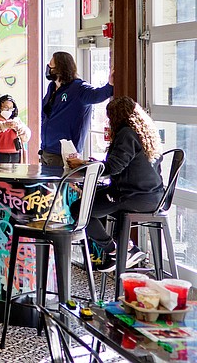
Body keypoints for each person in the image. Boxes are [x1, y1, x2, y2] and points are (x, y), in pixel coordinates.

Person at [67, 96, 162, 273]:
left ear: (117, 117)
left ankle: (116, 250)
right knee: (94, 199)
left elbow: (113, 168)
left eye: (110, 117)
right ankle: (124, 247)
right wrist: (89, 165)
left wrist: (86, 166)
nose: (109, 122)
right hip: (151, 195)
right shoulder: (144, 133)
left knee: (79, 209)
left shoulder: (126, 134)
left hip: (133, 196)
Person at [41, 51, 113, 166]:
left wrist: (110, 84)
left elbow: (98, 95)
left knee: (61, 183)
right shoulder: (52, 88)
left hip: (63, 154)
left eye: (51, 66)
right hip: (46, 149)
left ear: (60, 68)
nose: (48, 68)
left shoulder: (79, 89)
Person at [0, 95, 31, 164]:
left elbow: (26, 136)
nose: (8, 111)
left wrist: (19, 128)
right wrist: (4, 125)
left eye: (11, 108)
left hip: (15, 155)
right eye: (6, 107)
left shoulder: (16, 120)